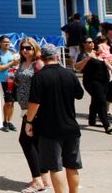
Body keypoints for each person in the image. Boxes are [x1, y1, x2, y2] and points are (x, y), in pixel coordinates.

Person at [25, 44, 84, 193]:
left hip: (49, 128)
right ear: (57, 57)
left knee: (55, 166)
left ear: (42, 58)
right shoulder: (69, 74)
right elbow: (80, 94)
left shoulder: (39, 77)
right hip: (71, 126)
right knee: (72, 166)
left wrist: (29, 121)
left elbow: (34, 103)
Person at [13, 38, 51, 193]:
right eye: (22, 48)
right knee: (34, 143)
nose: (25, 50)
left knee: (26, 141)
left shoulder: (38, 64)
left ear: (35, 48)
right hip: (24, 106)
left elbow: (44, 85)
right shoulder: (22, 63)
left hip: (35, 107)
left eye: (28, 48)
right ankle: (44, 178)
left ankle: (37, 180)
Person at [75, 37, 112, 134]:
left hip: (104, 81)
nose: (91, 43)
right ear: (84, 44)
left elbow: (108, 62)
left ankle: (92, 120)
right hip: (92, 82)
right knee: (101, 101)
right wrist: (87, 59)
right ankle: (107, 125)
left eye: (92, 42)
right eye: (89, 42)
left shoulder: (97, 53)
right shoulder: (83, 54)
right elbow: (77, 67)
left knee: (96, 100)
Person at [0, 35, 18, 132]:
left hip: (13, 78)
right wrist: (11, 64)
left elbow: (16, 64)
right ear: (0, 43)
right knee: (8, 101)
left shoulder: (12, 52)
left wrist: (16, 65)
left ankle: (9, 121)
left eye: (8, 42)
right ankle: (4, 121)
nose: (7, 44)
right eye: (5, 42)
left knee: (12, 102)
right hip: (5, 79)